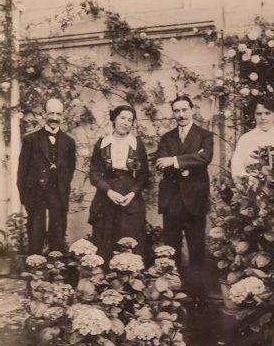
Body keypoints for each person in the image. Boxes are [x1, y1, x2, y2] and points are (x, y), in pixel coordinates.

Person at [154, 94, 214, 300]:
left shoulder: (204, 135)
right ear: (173, 113)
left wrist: (174, 161)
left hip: (195, 199)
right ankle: (173, 291)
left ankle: (197, 294)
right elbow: (160, 162)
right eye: (177, 111)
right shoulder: (167, 138)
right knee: (171, 247)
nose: (181, 114)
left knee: (196, 247)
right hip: (172, 200)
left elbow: (204, 157)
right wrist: (188, 165)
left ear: (192, 110)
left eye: (184, 110)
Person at [89, 104, 150, 260]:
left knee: (130, 240)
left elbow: (144, 174)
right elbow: (94, 174)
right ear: (114, 119)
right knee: (105, 240)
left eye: (130, 120)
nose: (126, 123)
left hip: (130, 197)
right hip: (106, 195)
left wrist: (133, 193)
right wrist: (108, 191)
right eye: (123, 118)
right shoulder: (102, 143)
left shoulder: (137, 144)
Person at [17, 97, 77, 255]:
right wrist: (25, 198)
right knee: (35, 232)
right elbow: (22, 172)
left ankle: (55, 267)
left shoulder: (69, 142)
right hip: (36, 193)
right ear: (44, 114)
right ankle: (35, 266)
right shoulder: (31, 140)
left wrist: (62, 185)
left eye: (58, 114)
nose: (54, 118)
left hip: (57, 192)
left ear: (63, 116)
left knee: (57, 231)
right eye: (51, 113)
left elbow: (70, 169)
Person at [229, 96, 274, 180]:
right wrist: (252, 182)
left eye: (267, 113)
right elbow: (237, 167)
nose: (263, 118)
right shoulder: (245, 139)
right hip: (252, 184)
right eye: (259, 114)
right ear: (254, 115)